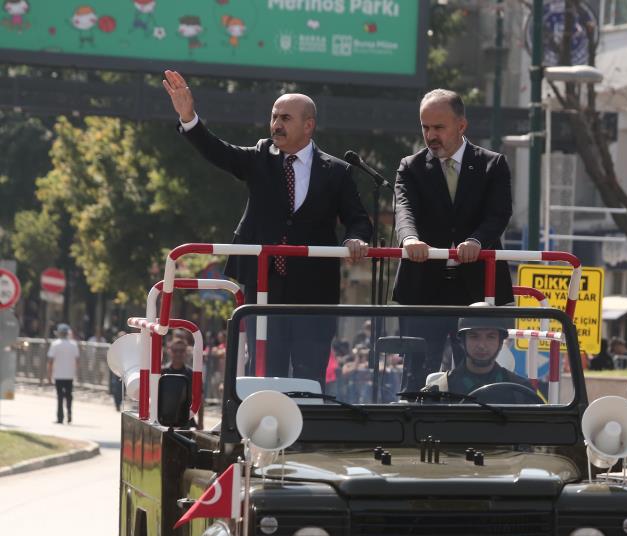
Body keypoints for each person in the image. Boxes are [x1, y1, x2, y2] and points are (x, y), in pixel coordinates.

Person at [161, 69, 372, 384]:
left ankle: (305, 426)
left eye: (286, 118)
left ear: (308, 125)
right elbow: (218, 151)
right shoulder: (260, 156)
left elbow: (357, 219)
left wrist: (356, 239)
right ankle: (255, 428)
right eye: (274, 116)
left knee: (308, 370)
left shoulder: (337, 172)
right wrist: (188, 116)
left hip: (314, 288)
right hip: (264, 283)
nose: (276, 124)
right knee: (261, 368)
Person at [392, 89, 514, 390]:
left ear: (461, 126)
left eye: (438, 127)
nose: (430, 135)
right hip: (423, 287)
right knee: (417, 374)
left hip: (475, 288)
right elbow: (404, 210)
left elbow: (498, 215)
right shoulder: (411, 167)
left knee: (476, 376)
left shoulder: (492, 164)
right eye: (425, 127)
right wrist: (409, 240)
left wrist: (476, 241)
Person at [427, 314, 535, 398]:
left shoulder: (521, 391)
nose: (482, 345)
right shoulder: (440, 391)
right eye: (474, 336)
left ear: (501, 342)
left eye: (490, 337)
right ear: (462, 342)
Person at [47, 323, 79, 424]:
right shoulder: (73, 345)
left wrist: (49, 374)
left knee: (60, 396)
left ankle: (60, 417)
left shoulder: (55, 344)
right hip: (69, 375)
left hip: (58, 374)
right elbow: (77, 361)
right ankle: (69, 413)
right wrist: (75, 372)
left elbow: (51, 361)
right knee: (69, 395)